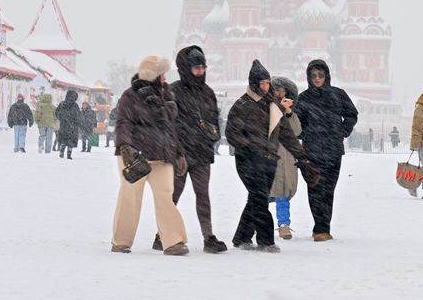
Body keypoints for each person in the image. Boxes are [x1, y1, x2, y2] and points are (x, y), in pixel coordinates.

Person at [225, 60, 317, 252]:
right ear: (253, 83)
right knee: (259, 197)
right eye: (263, 83)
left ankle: (242, 237)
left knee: (256, 198)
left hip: (269, 160)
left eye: (268, 83)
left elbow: (287, 134)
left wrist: (302, 157)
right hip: (248, 161)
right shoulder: (242, 105)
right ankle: (266, 240)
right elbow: (232, 133)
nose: (267, 87)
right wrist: (250, 148)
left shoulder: (273, 106)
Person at [111, 55, 189, 256]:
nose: (165, 78)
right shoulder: (130, 96)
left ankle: (173, 241)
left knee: (166, 197)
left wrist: (179, 153)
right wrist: (125, 146)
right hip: (135, 155)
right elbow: (123, 123)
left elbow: (171, 129)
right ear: (152, 76)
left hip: (162, 155)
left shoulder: (167, 96)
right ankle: (121, 241)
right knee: (130, 197)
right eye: (162, 74)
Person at [160, 45, 227, 254]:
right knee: (174, 195)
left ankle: (208, 236)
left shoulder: (208, 93)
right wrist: (176, 149)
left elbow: (214, 120)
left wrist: (212, 136)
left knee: (203, 196)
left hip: (201, 152)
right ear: (186, 68)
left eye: (202, 67)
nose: (200, 71)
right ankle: (162, 234)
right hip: (180, 153)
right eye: (196, 68)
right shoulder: (173, 91)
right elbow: (167, 123)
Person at [296, 59, 358, 242]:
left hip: (333, 151)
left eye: (320, 75)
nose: (317, 78)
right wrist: (305, 134)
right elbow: (296, 123)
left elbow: (351, 114)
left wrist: (343, 131)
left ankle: (324, 227)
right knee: (315, 189)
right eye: (313, 75)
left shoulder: (337, 95)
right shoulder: (304, 98)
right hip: (312, 152)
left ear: (327, 76)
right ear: (309, 76)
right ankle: (320, 229)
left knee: (328, 191)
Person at [268, 76, 305, 240]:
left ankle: (284, 225)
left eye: (282, 90)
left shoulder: (291, 111)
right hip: (268, 155)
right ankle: (256, 224)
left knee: (283, 193)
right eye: (276, 90)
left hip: (285, 157)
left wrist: (289, 113)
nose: (279, 93)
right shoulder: (264, 109)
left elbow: (297, 131)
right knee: (262, 194)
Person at [55, 91, 81, 160]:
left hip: (64, 125)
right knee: (71, 141)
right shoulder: (75, 105)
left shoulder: (62, 103)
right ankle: (69, 154)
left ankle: (61, 152)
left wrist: (61, 118)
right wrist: (77, 122)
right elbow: (78, 116)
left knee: (64, 139)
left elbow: (57, 113)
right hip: (72, 126)